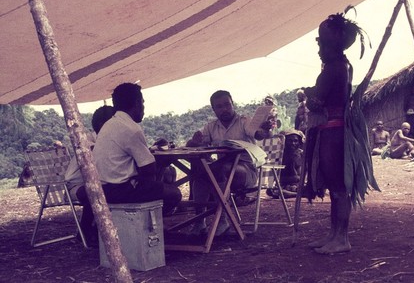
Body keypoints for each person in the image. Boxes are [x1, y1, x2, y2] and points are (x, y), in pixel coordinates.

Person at [304, 9, 378, 254]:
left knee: (339, 187)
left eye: (320, 41)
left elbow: (317, 101)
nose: (317, 46)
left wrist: (308, 94)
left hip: (334, 133)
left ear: (331, 43)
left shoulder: (335, 67)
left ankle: (342, 238)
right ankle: (334, 234)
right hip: (332, 130)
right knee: (336, 187)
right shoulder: (340, 65)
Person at [186, 90, 273, 236]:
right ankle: (199, 221)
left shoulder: (244, 121)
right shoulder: (210, 127)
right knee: (199, 172)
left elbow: (257, 133)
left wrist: (263, 131)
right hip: (221, 173)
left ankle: (223, 220)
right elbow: (192, 144)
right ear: (214, 110)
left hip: (246, 172)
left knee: (218, 170)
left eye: (227, 105)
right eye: (219, 106)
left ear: (233, 104)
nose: (224, 109)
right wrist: (194, 142)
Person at [93, 83, 182, 217]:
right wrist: (163, 163)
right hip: (118, 190)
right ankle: (151, 226)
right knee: (174, 193)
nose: (143, 108)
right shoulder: (130, 128)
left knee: (153, 186)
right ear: (137, 103)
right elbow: (149, 169)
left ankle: (150, 224)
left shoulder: (109, 125)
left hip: (101, 188)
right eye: (142, 103)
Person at [65, 105, 116, 245]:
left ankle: (92, 229)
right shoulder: (88, 140)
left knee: (105, 189)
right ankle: (85, 230)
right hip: (75, 186)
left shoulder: (106, 140)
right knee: (95, 192)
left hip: (95, 182)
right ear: (102, 125)